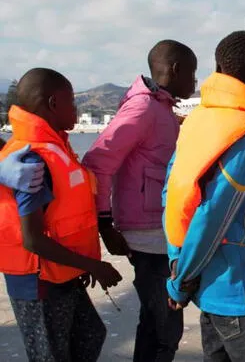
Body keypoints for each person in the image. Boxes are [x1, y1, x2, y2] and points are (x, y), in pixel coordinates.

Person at [163, 30, 245, 362]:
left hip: (204, 284)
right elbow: (214, 217)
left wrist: (177, 261)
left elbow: (172, 191)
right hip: (235, 287)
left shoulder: (197, 120)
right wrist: (181, 281)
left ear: (217, 65)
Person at [82, 39, 197, 362]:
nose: (194, 82)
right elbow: (98, 162)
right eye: (192, 74)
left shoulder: (159, 107)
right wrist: (105, 224)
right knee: (165, 329)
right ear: (175, 69)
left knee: (155, 322)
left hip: (158, 231)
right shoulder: (143, 108)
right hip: (147, 236)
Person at [0, 68, 122, 361]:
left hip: (63, 273)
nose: (77, 110)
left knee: (90, 334)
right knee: (50, 354)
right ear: (53, 104)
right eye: (72, 102)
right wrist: (93, 265)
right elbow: (32, 240)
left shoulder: (57, 149)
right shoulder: (31, 160)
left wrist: (81, 266)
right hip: (38, 281)